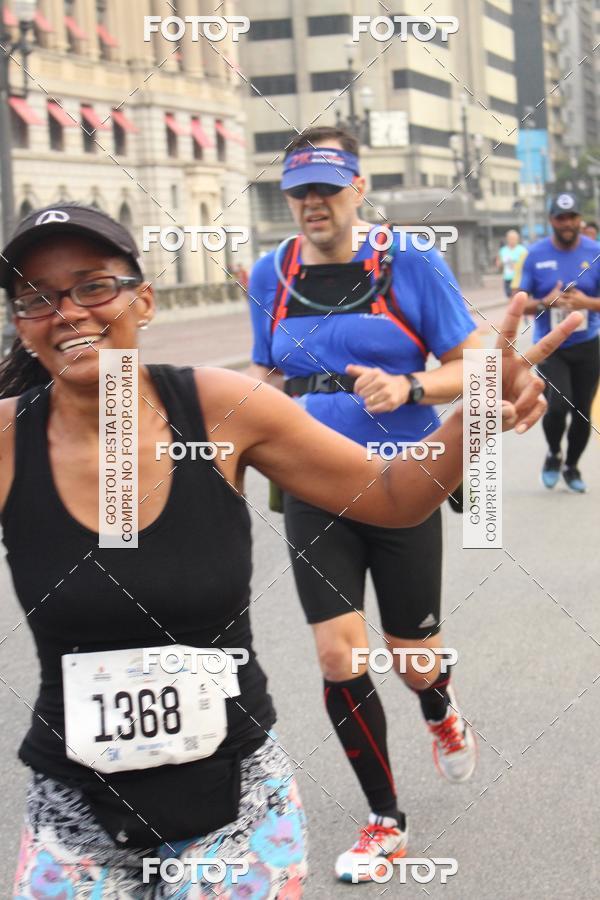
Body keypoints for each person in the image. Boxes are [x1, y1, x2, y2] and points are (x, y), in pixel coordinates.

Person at [0, 204, 576, 897]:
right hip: (75, 818)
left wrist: (480, 400)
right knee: (340, 652)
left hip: (237, 809)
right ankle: (385, 807)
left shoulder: (217, 406)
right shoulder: (8, 439)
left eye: (93, 285)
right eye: (35, 296)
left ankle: (427, 730)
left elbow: (392, 496)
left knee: (408, 656)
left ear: (143, 299)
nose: (67, 312)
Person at [245, 127, 538, 881]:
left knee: (412, 661)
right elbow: (266, 377)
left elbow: (473, 359)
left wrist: (411, 387)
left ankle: (440, 707)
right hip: (315, 483)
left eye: (326, 188)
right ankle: (385, 821)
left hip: (405, 480)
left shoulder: (409, 263)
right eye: (300, 191)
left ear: (358, 188)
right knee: (339, 653)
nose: (314, 203)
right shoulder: (269, 276)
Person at [515, 192, 600, 493]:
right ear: (551, 220)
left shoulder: (595, 251)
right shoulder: (535, 254)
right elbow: (519, 301)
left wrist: (587, 302)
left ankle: (572, 465)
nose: (567, 223)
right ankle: (553, 454)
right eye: (561, 218)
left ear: (579, 220)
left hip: (587, 344)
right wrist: (544, 302)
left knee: (582, 411)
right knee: (557, 405)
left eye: (572, 217)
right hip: (550, 346)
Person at [496, 229, 527, 298]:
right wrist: (502, 263)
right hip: (507, 278)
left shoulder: (522, 250)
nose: (512, 240)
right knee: (510, 298)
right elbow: (498, 265)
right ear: (507, 239)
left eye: (514, 238)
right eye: (510, 238)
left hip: (519, 279)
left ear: (517, 239)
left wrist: (516, 265)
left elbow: (527, 265)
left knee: (519, 298)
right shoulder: (503, 250)